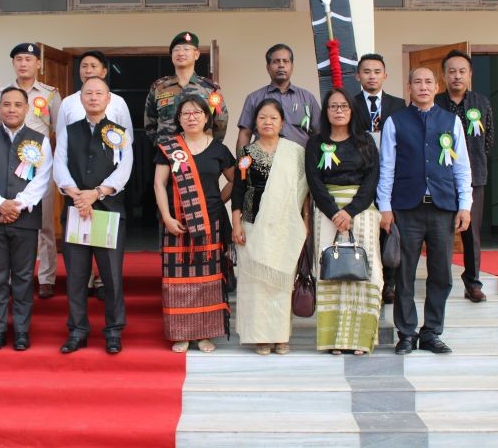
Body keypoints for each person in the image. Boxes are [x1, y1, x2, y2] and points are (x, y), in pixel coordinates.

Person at [378, 67, 472, 355]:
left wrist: (465, 205)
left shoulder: (451, 121)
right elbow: (387, 166)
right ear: (409, 87)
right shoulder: (395, 121)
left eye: (428, 82)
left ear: (436, 86)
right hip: (406, 208)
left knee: (441, 273)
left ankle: (431, 332)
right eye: (417, 82)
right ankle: (406, 333)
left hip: (443, 207)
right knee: (404, 273)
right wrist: (385, 207)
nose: (423, 86)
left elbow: (461, 166)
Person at [54, 77, 133, 355]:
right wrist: (77, 195)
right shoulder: (69, 131)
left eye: (99, 93)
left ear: (108, 98)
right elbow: (59, 165)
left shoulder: (119, 133)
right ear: (81, 98)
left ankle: (113, 331)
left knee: (111, 276)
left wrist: (97, 193)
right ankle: (77, 330)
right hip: (76, 209)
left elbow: (124, 168)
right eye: (88, 93)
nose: (94, 97)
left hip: (108, 210)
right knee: (76, 275)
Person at [0, 86, 53, 352]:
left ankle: (21, 331)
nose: (11, 109)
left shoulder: (40, 141)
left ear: (27, 109)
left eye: (18, 105)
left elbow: (42, 178)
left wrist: (18, 205)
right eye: (6, 104)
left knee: (23, 278)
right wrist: (0, 204)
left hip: (25, 221)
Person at [154, 95, 235, 354]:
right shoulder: (169, 148)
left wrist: (218, 202)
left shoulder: (219, 149)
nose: (191, 117)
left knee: (207, 280)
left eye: (197, 113)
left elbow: (235, 181)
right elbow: (159, 184)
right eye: (186, 113)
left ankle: (203, 334)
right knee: (178, 281)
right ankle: (181, 333)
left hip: (210, 223)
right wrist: (167, 217)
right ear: (179, 119)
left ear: (206, 117)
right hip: (176, 224)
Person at [305, 88, 381, 355]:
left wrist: (350, 211)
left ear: (352, 110)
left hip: (361, 211)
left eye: (344, 106)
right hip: (327, 213)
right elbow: (314, 181)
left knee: (367, 272)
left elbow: (372, 180)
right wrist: (333, 212)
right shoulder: (315, 143)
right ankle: (334, 340)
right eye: (333, 106)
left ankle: (360, 340)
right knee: (330, 271)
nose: (339, 111)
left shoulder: (365, 141)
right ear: (326, 112)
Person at [232, 99, 308, 355]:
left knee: (281, 282)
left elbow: (304, 191)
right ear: (255, 123)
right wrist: (236, 224)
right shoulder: (246, 153)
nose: (267, 122)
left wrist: (305, 221)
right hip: (252, 223)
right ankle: (260, 337)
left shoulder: (295, 152)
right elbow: (239, 189)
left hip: (286, 226)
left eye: (273, 118)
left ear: (282, 123)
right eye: (262, 118)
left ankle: (280, 336)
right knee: (255, 284)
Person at [0, 43, 62, 300]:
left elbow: (60, 132)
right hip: (9, 168)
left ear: (38, 64)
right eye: (19, 59)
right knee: (10, 223)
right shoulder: (0, 93)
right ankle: (13, 276)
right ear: (13, 63)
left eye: (29, 59)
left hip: (39, 168)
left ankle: (46, 277)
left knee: (44, 226)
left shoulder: (50, 95)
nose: (23, 64)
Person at [434, 49, 494, 303]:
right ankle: (440, 282)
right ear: (444, 76)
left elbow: (488, 140)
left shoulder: (481, 103)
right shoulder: (435, 103)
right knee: (440, 232)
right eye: (452, 72)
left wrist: (471, 163)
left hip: (474, 177)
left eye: (462, 71)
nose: (457, 76)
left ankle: (473, 283)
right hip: (440, 178)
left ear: (470, 74)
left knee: (471, 233)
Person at [352, 53, 406, 305]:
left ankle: (390, 283)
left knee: (389, 227)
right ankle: (365, 277)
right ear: (358, 76)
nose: (372, 76)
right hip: (360, 174)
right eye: (366, 71)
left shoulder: (399, 105)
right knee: (365, 227)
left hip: (391, 175)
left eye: (376, 72)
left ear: (385, 75)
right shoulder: (350, 104)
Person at [144, 31, 228, 146]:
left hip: (201, 152)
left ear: (196, 54)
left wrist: (211, 148)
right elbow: (150, 123)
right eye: (176, 50)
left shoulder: (210, 88)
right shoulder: (159, 88)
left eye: (186, 49)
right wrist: (160, 145)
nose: (181, 53)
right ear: (172, 56)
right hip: (167, 151)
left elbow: (221, 122)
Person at [236, 43, 320, 150]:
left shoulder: (307, 98)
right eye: (276, 61)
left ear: (292, 66)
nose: (281, 65)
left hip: (301, 157)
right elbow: (245, 133)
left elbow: (319, 132)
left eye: (285, 61)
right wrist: (242, 159)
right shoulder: (254, 98)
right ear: (268, 67)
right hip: (263, 158)